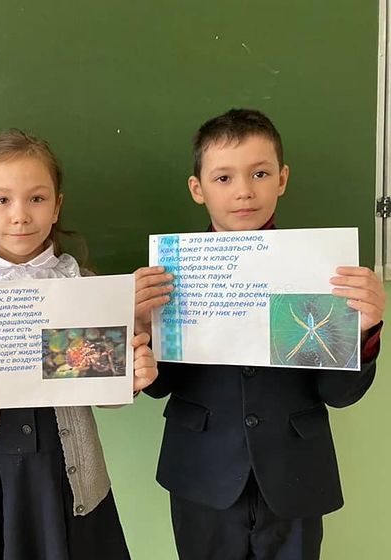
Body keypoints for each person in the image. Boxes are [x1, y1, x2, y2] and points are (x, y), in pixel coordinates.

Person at [135, 108, 385, 559]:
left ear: (282, 179)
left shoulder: (318, 271)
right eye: (223, 178)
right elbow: (159, 386)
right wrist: (142, 330)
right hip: (201, 473)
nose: (244, 191)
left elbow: (339, 394)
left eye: (260, 173)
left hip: (294, 473)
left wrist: (363, 333)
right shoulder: (172, 277)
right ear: (198, 188)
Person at [0, 129, 157, 560]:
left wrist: (130, 378)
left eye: (37, 199)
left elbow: (102, 389)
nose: (20, 215)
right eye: (2, 200)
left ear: (57, 205)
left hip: (70, 474)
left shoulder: (83, 286)